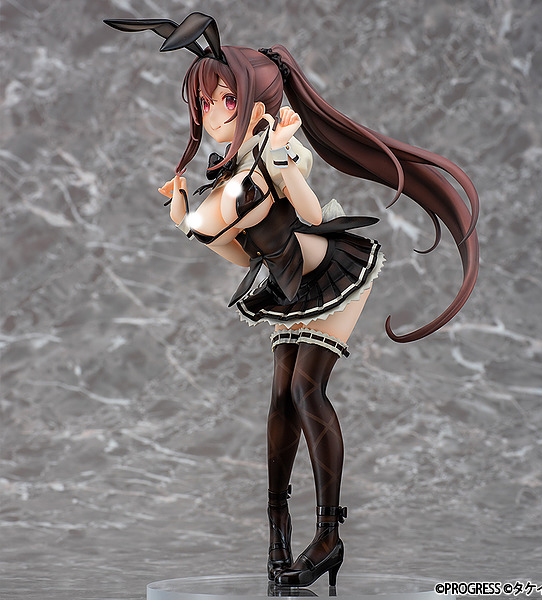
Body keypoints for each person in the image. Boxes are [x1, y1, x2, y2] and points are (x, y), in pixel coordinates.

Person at [105, 12, 479, 589]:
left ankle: (328, 536)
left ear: (256, 102)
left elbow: (308, 214)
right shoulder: (225, 173)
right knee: (280, 398)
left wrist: (281, 159)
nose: (211, 113)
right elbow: (241, 254)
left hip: (328, 268)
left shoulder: (278, 148)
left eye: (224, 99)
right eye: (203, 102)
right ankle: (277, 528)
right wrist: (185, 221)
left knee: (307, 390)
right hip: (287, 282)